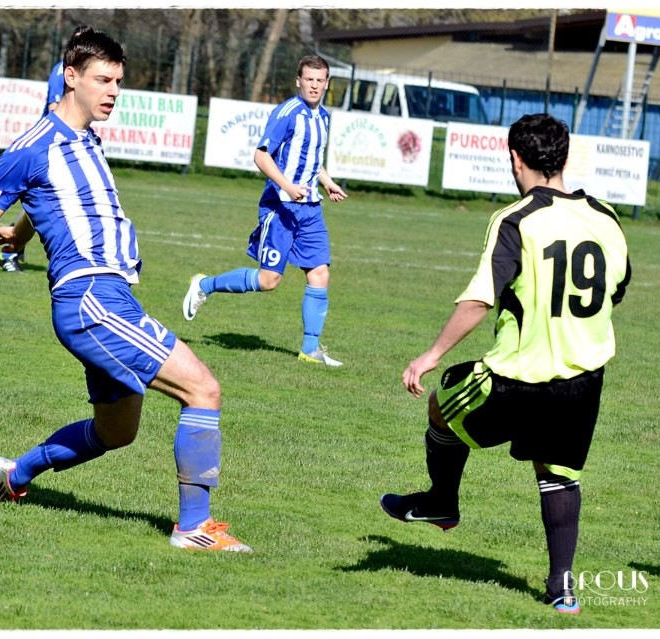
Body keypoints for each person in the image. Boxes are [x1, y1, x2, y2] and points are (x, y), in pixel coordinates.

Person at [0, 28, 252, 552]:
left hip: (111, 297)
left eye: (118, 81)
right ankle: (193, 527)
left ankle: (14, 474)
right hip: (91, 301)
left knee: (117, 432)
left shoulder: (87, 137)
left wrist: (21, 233)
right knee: (204, 389)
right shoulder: (31, 147)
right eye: (102, 80)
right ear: (71, 77)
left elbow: (52, 202)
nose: (113, 91)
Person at [380, 114, 631, 614]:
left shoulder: (517, 219)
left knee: (441, 403)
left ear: (515, 159)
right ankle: (562, 587)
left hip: (517, 377)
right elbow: (617, 288)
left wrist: (430, 355)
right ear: (564, 157)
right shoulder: (606, 217)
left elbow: (480, 299)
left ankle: (441, 501)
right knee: (557, 473)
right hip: (583, 380)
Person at [182, 54, 348, 366]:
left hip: (310, 208)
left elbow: (312, 159)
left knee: (320, 273)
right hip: (280, 206)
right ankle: (205, 285)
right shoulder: (287, 113)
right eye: (309, 79)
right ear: (298, 81)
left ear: (327, 83)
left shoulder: (323, 117)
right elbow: (261, 156)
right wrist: (287, 186)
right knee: (269, 280)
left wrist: (327, 182)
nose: (314, 85)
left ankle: (310, 350)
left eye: (319, 80)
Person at [0, 25, 89, 274]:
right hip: (53, 147)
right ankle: (10, 251)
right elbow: (54, 109)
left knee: (48, 203)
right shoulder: (63, 70)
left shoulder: (83, 74)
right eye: (77, 43)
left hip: (66, 145)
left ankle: (14, 247)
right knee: (45, 203)